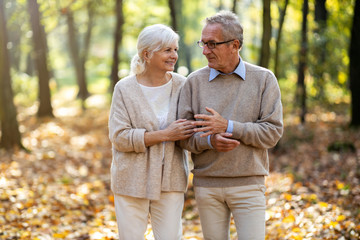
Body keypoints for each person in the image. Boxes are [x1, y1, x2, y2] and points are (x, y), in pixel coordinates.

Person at [177, 10, 283, 240]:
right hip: (207, 186)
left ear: (234, 45)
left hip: (249, 185)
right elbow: (183, 136)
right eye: (203, 43)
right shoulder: (194, 82)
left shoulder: (264, 79)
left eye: (212, 44)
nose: (205, 51)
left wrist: (228, 126)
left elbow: (272, 132)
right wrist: (210, 141)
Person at [108, 24, 194, 240]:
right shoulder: (124, 89)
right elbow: (119, 137)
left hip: (171, 179)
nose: (174, 55)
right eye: (167, 50)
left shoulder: (183, 86)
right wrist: (165, 135)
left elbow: (192, 129)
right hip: (131, 179)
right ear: (147, 54)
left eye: (175, 49)